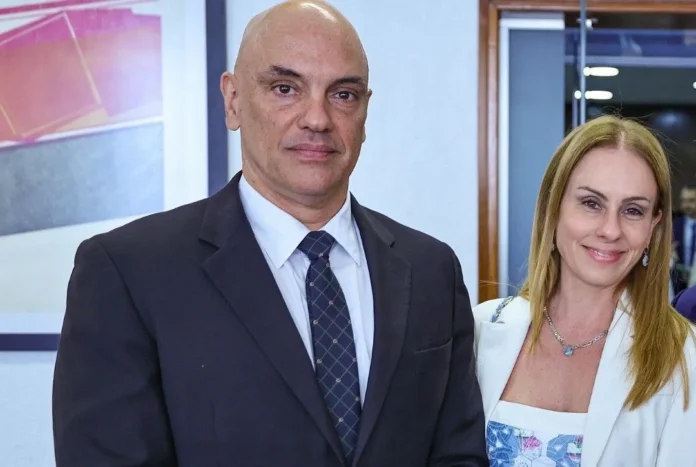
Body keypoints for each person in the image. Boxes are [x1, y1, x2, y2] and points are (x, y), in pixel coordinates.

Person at [51, 1, 488, 466]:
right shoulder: (129, 271)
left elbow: (458, 455)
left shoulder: (431, 270)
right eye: (285, 88)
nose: (317, 118)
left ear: (364, 111)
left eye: (343, 94)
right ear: (233, 100)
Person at [473, 115, 696, 465]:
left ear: (653, 226)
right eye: (592, 203)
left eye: (633, 210)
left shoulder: (683, 357)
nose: (610, 230)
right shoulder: (479, 330)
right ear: (553, 206)